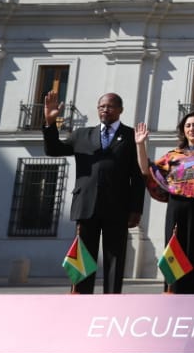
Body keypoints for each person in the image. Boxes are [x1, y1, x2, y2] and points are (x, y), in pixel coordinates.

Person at [41, 90, 144, 294]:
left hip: (118, 207)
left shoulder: (132, 136)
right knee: (83, 256)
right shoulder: (81, 134)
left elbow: (138, 176)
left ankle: (111, 299)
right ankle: (81, 298)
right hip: (86, 205)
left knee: (115, 256)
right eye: (101, 106)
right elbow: (53, 150)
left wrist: (136, 209)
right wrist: (50, 124)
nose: (105, 109)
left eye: (110, 106)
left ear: (120, 110)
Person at [134, 113, 194, 294]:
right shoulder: (173, 156)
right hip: (176, 211)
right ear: (183, 131)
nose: (191, 129)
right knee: (175, 254)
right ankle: (174, 295)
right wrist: (140, 144)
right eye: (188, 126)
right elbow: (147, 171)